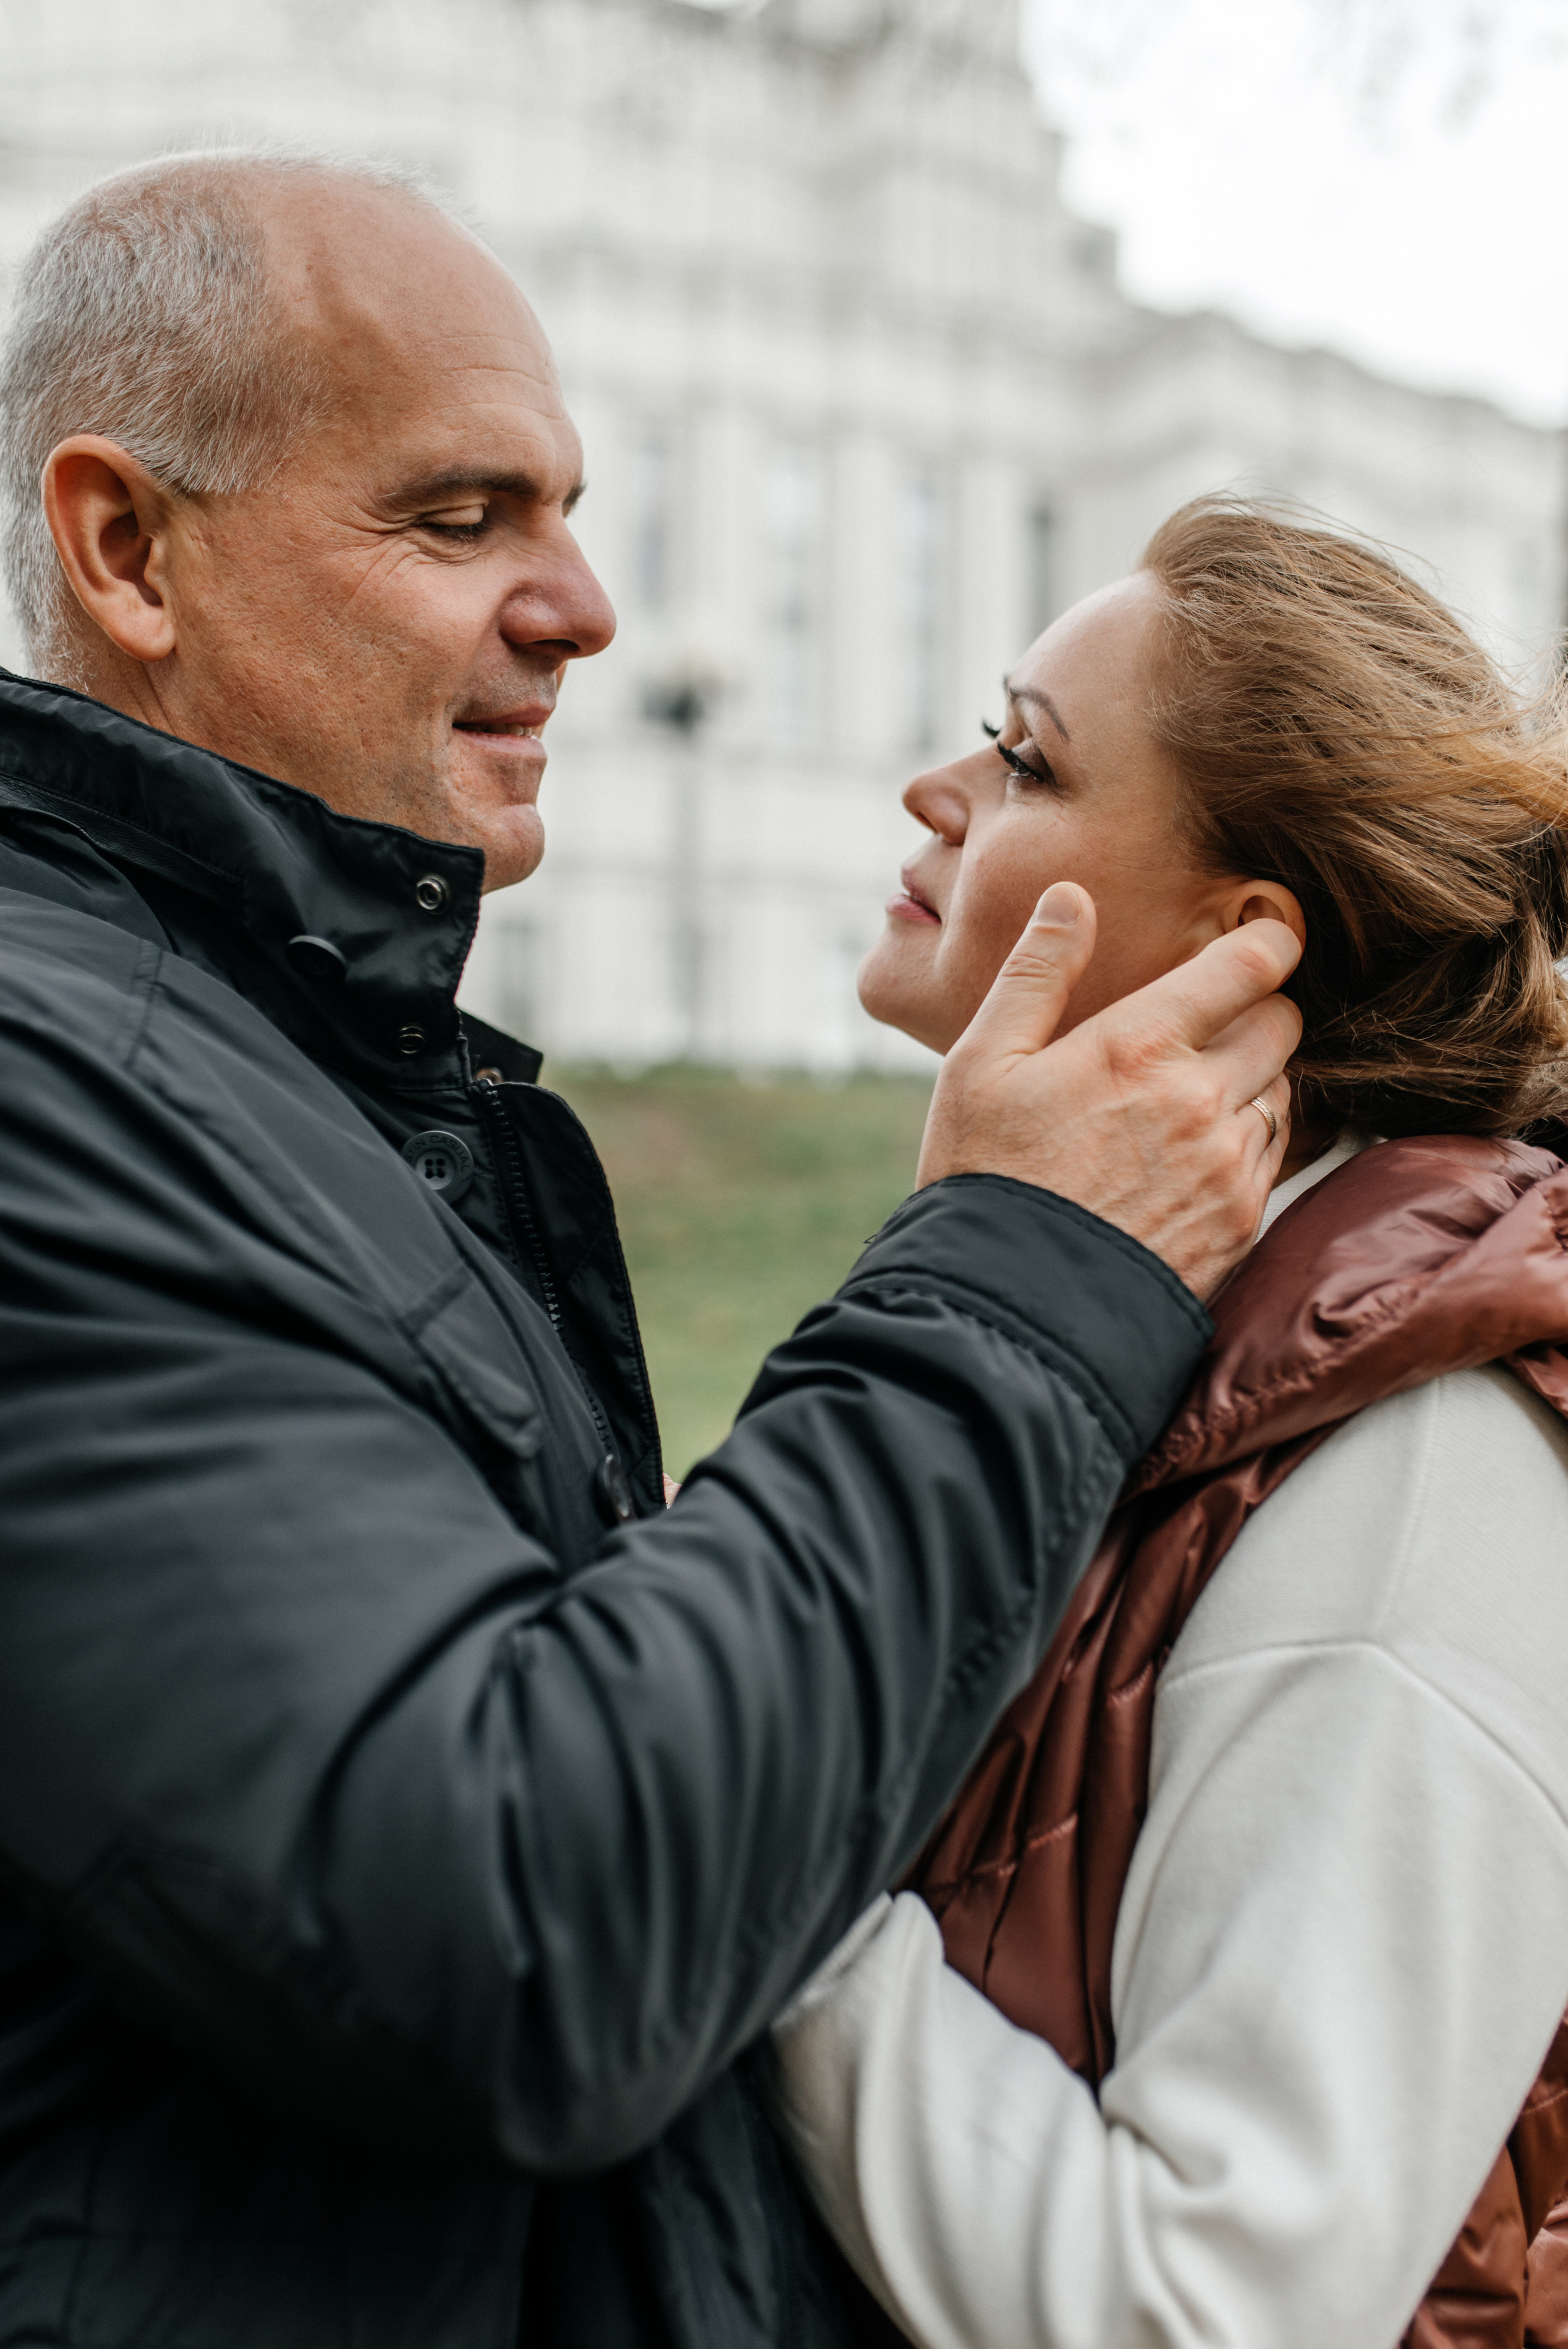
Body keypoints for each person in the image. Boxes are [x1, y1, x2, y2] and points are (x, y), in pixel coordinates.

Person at [0, 157, 1300, 2347]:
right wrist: (1014, 1271)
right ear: (128, 549)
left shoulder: (302, 1074)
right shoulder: (56, 1085)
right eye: (458, 518)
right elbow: (537, 1925)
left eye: (569, 509)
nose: (586, 605)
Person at [771, 496, 1568, 2348]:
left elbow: (1204, 2306)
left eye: (1026, 757)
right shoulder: (1198, 1355)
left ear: (1242, 946)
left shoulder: (1415, 1463)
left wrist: (726, 1856)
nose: (931, 786)